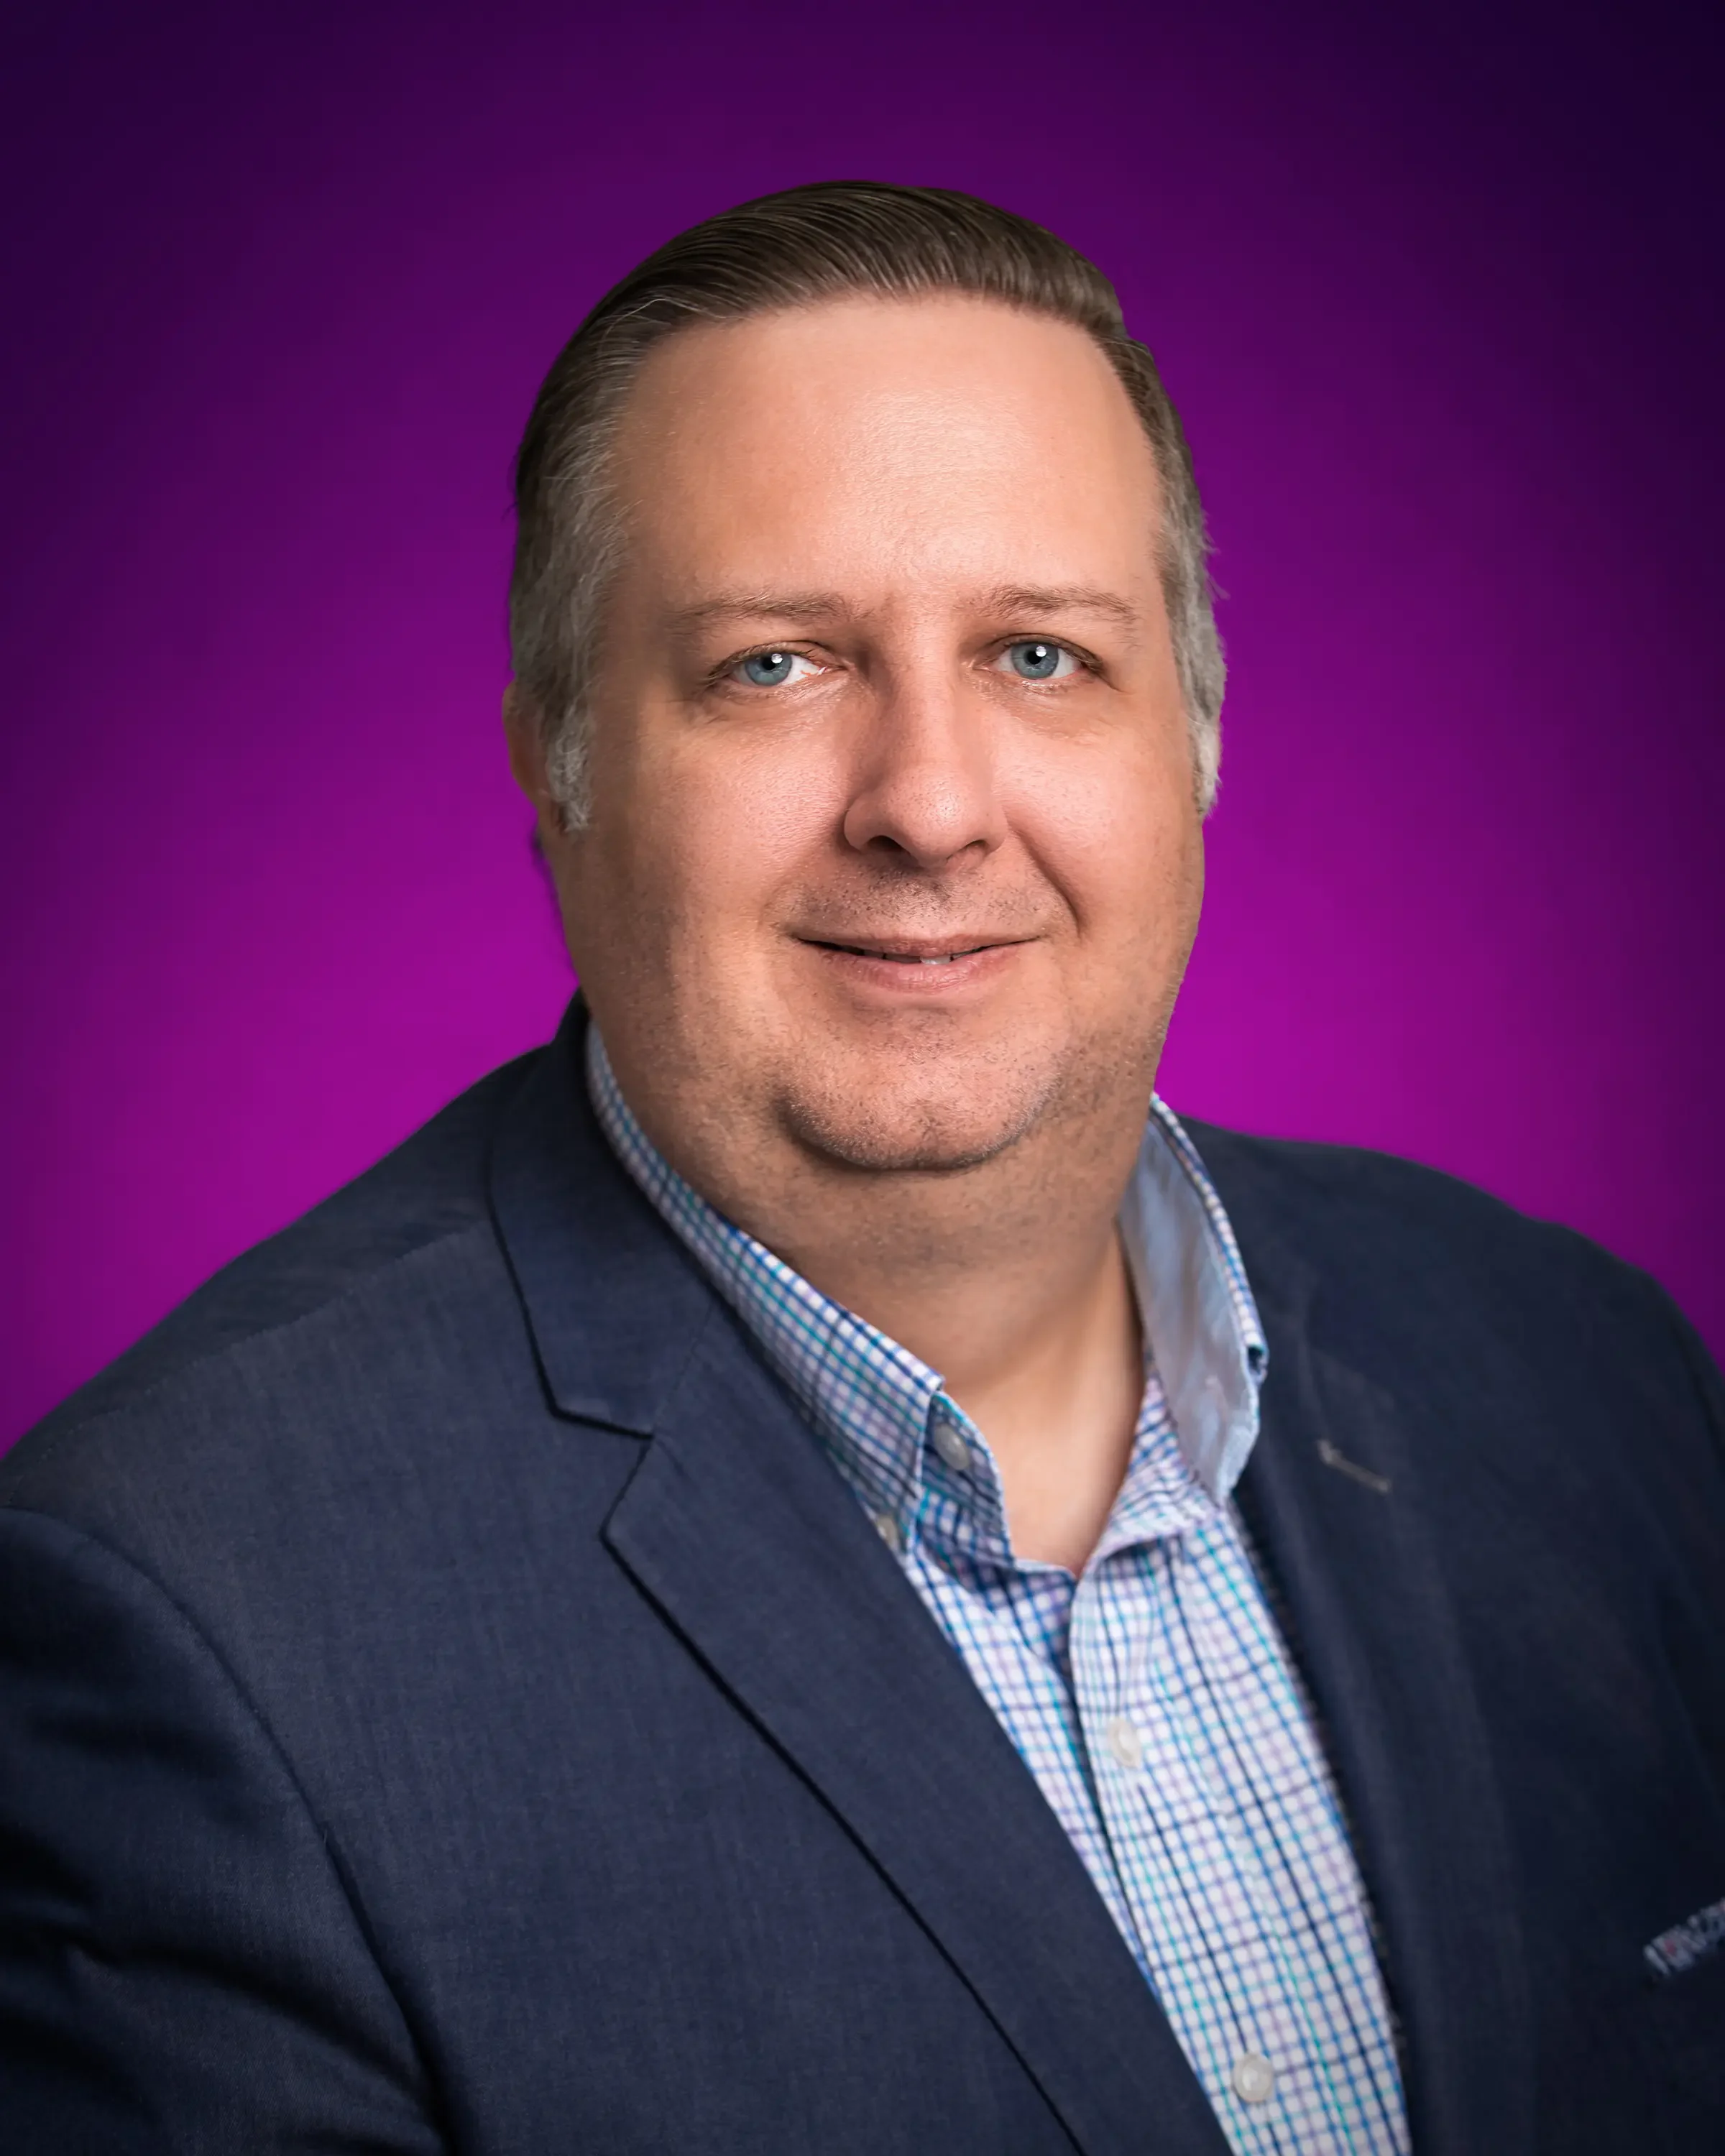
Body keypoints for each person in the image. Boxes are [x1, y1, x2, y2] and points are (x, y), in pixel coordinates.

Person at [1, 180, 1721, 2156]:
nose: (927, 802)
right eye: (775, 667)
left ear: (1200, 748)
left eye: (1044, 656)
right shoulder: (188, 1625)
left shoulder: (1590, 1381)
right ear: (554, 760)